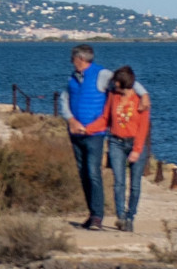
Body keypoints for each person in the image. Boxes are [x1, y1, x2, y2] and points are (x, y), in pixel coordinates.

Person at [58, 44, 150, 230]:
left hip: (97, 136)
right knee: (85, 174)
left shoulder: (102, 75)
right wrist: (70, 120)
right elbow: (63, 98)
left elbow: (127, 81)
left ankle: (107, 217)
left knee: (94, 173)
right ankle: (96, 214)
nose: (71, 62)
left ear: (81, 59)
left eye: (73, 58)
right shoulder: (73, 78)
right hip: (78, 133)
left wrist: (144, 93)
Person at [84, 67, 150, 232]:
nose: (114, 86)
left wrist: (137, 149)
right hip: (115, 142)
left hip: (135, 143)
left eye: (117, 83)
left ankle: (130, 216)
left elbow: (143, 127)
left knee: (135, 184)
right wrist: (87, 129)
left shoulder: (140, 101)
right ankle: (120, 217)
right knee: (119, 182)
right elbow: (105, 118)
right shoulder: (113, 96)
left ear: (124, 84)